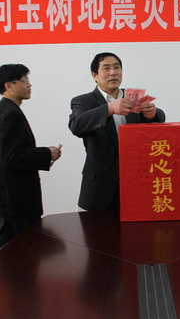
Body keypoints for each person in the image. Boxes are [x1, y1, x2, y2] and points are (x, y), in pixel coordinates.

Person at [69, 52, 165, 211]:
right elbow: (76, 125)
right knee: (96, 227)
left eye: (117, 67)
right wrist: (109, 109)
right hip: (99, 185)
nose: (113, 72)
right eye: (106, 68)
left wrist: (153, 113)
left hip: (136, 181)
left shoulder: (133, 96)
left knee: (138, 224)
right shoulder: (83, 101)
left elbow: (159, 120)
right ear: (94, 75)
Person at [0, 64, 61, 254]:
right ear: (9, 85)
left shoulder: (3, 108)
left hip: (8, 196)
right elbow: (12, 157)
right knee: (26, 251)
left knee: (6, 250)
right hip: (15, 197)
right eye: (24, 80)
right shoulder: (10, 113)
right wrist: (47, 153)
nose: (29, 85)